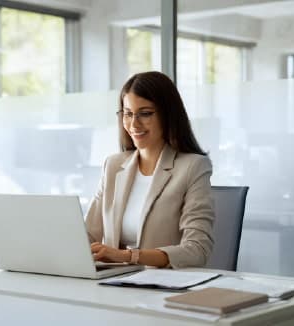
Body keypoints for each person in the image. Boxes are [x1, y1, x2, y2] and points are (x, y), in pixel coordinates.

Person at [85, 71, 214, 269]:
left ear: (168, 114)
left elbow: (197, 249)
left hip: (163, 287)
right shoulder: (112, 166)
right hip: (114, 283)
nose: (134, 124)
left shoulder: (193, 167)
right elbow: (87, 234)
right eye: (128, 114)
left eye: (145, 114)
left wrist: (127, 256)